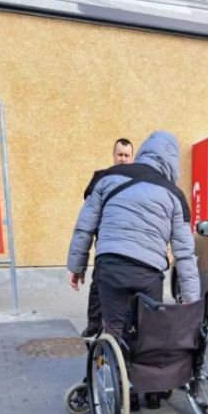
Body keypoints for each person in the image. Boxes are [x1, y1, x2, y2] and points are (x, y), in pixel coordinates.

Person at [67, 131, 200, 410]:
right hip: (149, 271)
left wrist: (76, 267)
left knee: (112, 329)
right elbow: (184, 253)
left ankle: (110, 391)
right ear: (172, 162)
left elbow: (85, 226)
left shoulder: (109, 177)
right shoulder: (175, 195)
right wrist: (190, 300)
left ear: (141, 152)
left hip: (111, 265)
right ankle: (148, 390)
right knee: (147, 331)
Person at [80, 138, 135, 337]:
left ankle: (130, 330)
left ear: (132, 157)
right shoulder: (100, 178)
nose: (123, 159)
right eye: (119, 155)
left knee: (131, 292)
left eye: (126, 155)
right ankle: (94, 326)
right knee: (98, 287)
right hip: (107, 244)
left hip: (132, 244)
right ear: (113, 156)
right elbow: (89, 212)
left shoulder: (139, 180)